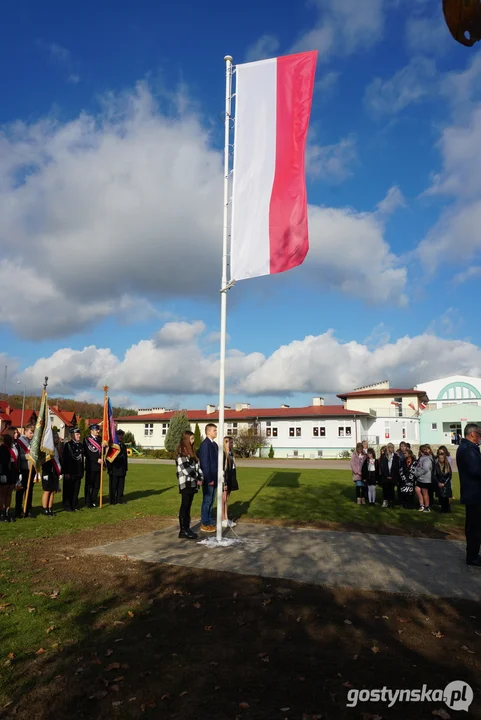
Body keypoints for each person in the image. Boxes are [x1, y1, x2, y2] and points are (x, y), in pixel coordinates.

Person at [456, 423, 481, 566]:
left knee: (475, 526)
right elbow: (476, 470)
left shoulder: (468, 448)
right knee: (474, 527)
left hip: (473, 493)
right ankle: (472, 556)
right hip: (474, 494)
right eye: (479, 434)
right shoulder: (468, 449)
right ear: (473, 434)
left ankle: (473, 554)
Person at [176, 430, 203, 539]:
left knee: (189, 506)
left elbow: (197, 467)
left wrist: (200, 477)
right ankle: (183, 530)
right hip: (185, 483)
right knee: (185, 505)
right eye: (191, 438)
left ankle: (187, 528)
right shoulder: (181, 454)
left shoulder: (192, 453)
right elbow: (186, 469)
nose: (193, 441)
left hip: (192, 483)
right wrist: (197, 477)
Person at [198, 423, 218, 532]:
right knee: (207, 500)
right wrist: (209, 479)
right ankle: (204, 523)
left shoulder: (214, 444)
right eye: (214, 430)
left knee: (212, 501)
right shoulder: (205, 445)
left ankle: (209, 521)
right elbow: (205, 463)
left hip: (215, 478)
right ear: (208, 431)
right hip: (209, 478)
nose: (216, 432)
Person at [15, 423, 35, 518]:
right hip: (23, 469)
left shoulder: (33, 442)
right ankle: (18, 510)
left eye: (33, 433)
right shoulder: (20, 442)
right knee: (20, 490)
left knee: (30, 490)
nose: (32, 435)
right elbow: (18, 456)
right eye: (30, 433)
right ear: (25, 432)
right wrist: (28, 456)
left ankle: (28, 510)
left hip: (31, 469)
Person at [62, 427, 84, 511]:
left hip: (78, 471)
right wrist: (66, 472)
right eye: (77, 434)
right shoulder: (68, 445)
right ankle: (67, 506)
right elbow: (65, 459)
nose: (79, 436)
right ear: (72, 435)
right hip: (70, 471)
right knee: (69, 489)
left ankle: (74, 505)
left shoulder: (80, 445)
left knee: (76, 489)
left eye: (79, 434)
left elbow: (81, 459)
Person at [41, 432, 62, 517]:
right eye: (55, 437)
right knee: (47, 491)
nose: (57, 439)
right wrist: (46, 471)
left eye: (57, 437)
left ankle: (50, 508)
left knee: (53, 491)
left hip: (54, 472)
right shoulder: (47, 449)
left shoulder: (56, 449)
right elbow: (44, 461)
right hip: (47, 472)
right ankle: (44, 508)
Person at [0, 432, 18, 522]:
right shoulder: (3, 448)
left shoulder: (14, 447)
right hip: (5, 473)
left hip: (12, 472)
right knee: (2, 493)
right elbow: (2, 463)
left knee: (9, 493)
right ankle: (1, 512)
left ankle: (7, 511)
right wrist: (2, 474)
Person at [107, 429, 128, 505]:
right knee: (113, 485)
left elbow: (125, 458)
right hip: (114, 469)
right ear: (116, 436)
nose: (121, 437)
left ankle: (119, 499)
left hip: (122, 469)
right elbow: (108, 458)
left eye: (122, 435)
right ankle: (112, 500)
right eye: (119, 435)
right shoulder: (113, 446)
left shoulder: (123, 446)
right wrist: (109, 468)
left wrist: (126, 468)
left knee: (121, 486)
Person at [84, 424, 102, 508]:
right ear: (91, 431)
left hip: (99, 466)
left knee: (97, 485)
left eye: (98, 430)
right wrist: (96, 459)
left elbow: (102, 452)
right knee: (89, 485)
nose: (98, 431)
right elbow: (88, 453)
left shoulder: (100, 439)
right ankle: (88, 501)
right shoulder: (87, 440)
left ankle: (94, 500)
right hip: (91, 466)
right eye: (96, 430)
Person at [222, 436, 239, 527]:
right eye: (228, 442)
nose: (230, 444)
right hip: (225, 477)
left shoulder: (231, 453)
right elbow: (223, 468)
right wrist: (224, 482)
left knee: (227, 498)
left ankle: (226, 517)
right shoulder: (223, 454)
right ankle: (223, 518)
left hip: (231, 477)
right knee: (223, 498)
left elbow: (233, 466)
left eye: (231, 442)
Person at [379, 443, 399, 508]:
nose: (392, 449)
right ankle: (385, 501)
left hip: (392, 476)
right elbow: (382, 467)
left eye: (393, 448)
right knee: (385, 489)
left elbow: (396, 467)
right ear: (388, 448)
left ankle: (391, 502)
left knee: (391, 489)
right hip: (385, 476)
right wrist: (387, 475)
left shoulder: (395, 457)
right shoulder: (383, 456)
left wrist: (392, 475)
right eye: (390, 448)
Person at [414, 444, 433, 512]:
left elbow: (425, 468)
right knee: (417, 489)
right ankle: (421, 505)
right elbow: (418, 466)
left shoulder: (427, 459)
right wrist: (415, 471)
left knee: (425, 492)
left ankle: (427, 507)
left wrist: (417, 474)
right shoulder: (421, 458)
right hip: (420, 478)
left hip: (425, 479)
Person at [433, 448, 452, 513]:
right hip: (439, 482)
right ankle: (442, 509)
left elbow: (449, 475)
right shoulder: (436, 466)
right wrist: (438, 482)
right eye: (439, 458)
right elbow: (434, 475)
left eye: (442, 458)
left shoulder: (447, 465)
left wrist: (445, 483)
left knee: (446, 497)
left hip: (446, 484)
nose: (440, 459)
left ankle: (446, 509)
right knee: (441, 497)